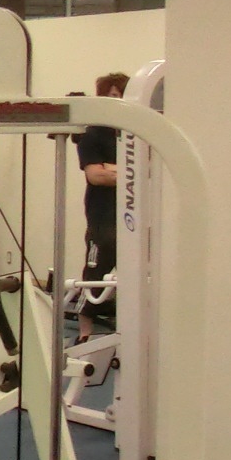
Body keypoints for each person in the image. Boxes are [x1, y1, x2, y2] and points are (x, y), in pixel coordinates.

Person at [74, 72, 129, 332]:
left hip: (133, 217)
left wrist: (114, 169)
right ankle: (84, 334)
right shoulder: (93, 135)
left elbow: (153, 169)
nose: (117, 101)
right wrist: (133, 172)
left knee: (137, 276)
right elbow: (96, 176)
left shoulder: (136, 135)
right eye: (112, 96)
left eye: (121, 95)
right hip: (103, 219)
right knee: (95, 276)